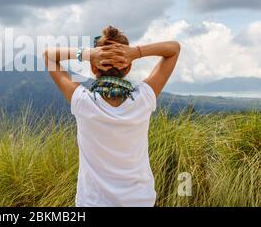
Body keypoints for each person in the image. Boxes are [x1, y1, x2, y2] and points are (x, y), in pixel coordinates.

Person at [43, 26, 181, 207]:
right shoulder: (144, 98)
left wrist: (88, 54)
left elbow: (48, 56)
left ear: (93, 68)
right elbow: (174, 49)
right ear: (128, 67)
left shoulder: (83, 102)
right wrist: (136, 52)